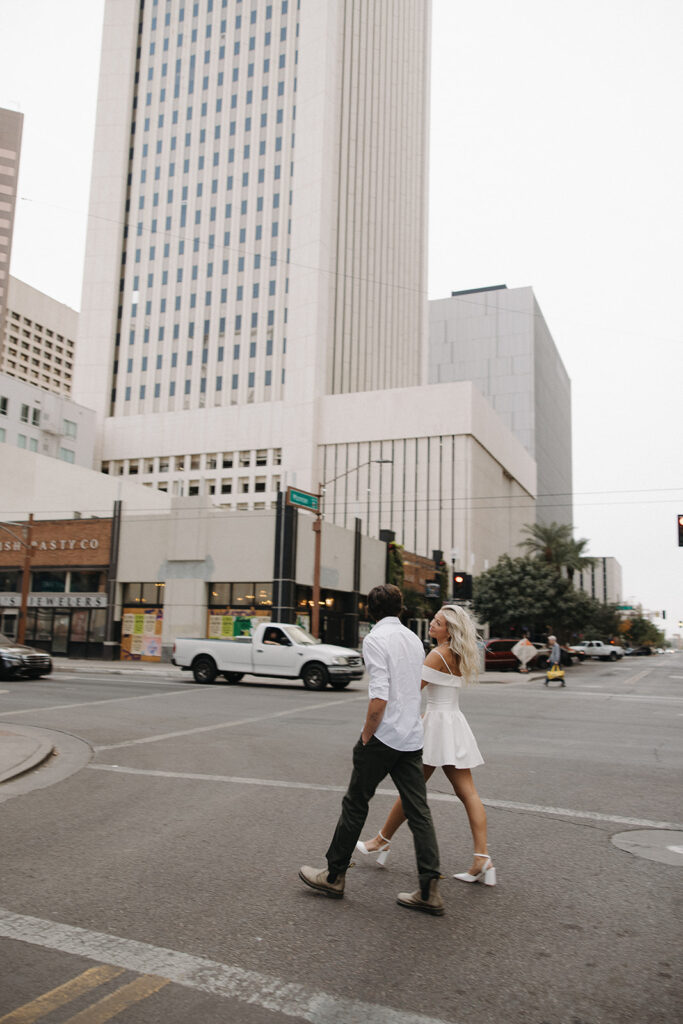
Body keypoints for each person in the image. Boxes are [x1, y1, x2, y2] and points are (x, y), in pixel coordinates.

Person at [299, 584, 444, 915]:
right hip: (411, 737)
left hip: (384, 736)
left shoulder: (376, 640)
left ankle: (334, 876)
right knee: (418, 809)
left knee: (355, 803)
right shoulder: (413, 640)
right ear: (401, 608)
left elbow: (379, 696)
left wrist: (366, 735)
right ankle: (430, 887)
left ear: (369, 610)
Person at [357, 604, 496, 887]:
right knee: (467, 792)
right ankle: (482, 857)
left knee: (412, 789)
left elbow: (409, 692)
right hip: (452, 723)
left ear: (449, 631)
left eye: (439, 622)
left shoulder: (436, 655)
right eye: (433, 620)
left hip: (436, 726)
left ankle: (381, 841)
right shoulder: (457, 654)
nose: (432, 624)